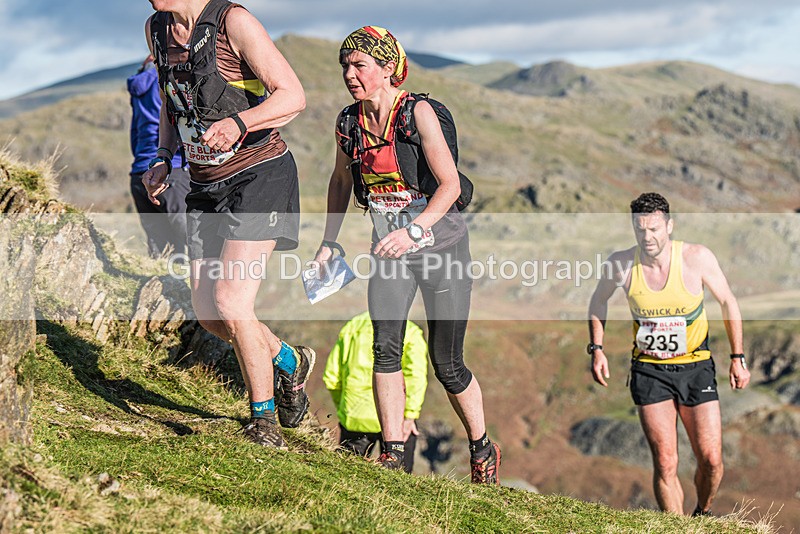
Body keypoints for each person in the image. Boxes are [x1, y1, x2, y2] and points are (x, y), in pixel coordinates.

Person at [313, 26, 501, 484]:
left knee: (447, 364)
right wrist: (329, 240)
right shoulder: (348, 122)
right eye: (345, 66)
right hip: (389, 251)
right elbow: (340, 182)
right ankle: (393, 451)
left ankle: (482, 448)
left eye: (360, 65)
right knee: (384, 350)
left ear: (387, 68)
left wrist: (414, 231)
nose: (350, 74)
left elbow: (451, 185)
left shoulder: (416, 113)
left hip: (442, 248)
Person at [142, 0, 313, 449]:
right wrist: (164, 157)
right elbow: (169, 99)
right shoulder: (156, 30)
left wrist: (240, 122)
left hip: (259, 175)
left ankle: (264, 422)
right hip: (204, 183)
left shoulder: (233, 23)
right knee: (211, 314)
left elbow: (292, 95)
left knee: (232, 302)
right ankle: (290, 361)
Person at [588, 192, 751, 515]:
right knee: (665, 461)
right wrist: (597, 348)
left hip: (696, 367)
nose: (647, 237)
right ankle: (674, 526)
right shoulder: (621, 264)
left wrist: (737, 357)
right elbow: (598, 301)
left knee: (712, 460)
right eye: (640, 230)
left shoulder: (696, 258)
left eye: (654, 230)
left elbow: (728, 301)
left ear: (669, 226)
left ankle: (702, 513)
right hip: (650, 370)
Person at [323, 312, 428, 473]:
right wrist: (410, 415)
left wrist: (344, 409)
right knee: (399, 482)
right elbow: (416, 377)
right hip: (396, 420)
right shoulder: (410, 331)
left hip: (355, 416)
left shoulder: (352, 327)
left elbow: (332, 377)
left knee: (348, 479)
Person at [127, 54, 190, 259]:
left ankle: (162, 289)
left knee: (160, 246)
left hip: (139, 172)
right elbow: (178, 123)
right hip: (170, 170)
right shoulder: (166, 80)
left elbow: (135, 134)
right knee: (192, 236)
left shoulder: (139, 88)